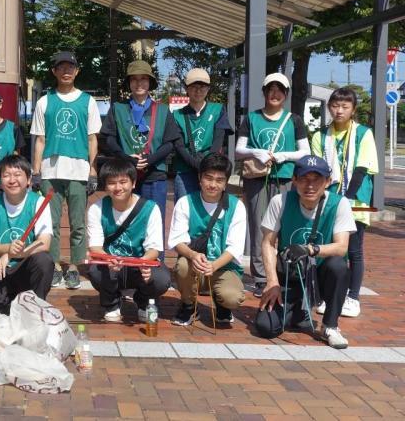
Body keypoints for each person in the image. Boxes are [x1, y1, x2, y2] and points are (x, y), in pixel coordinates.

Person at [255, 155, 355, 349]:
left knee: (339, 266)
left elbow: (342, 247)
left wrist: (310, 249)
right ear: (294, 180)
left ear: (327, 182)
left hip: (320, 277)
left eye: (316, 179)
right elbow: (268, 243)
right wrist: (272, 281)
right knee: (265, 327)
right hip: (289, 275)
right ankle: (298, 310)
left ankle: (330, 326)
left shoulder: (339, 204)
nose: (310, 185)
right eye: (303, 179)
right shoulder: (280, 201)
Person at [31, 51, 101, 289]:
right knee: (50, 223)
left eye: (70, 66)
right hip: (50, 171)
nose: (66, 71)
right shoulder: (44, 101)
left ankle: (73, 266)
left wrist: (92, 170)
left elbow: (92, 139)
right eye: (61, 67)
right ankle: (53, 265)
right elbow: (39, 140)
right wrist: (36, 171)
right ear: (54, 71)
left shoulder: (88, 102)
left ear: (77, 71)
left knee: (77, 222)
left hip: (79, 170)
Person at [235, 73, 310, 298]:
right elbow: (239, 150)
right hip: (256, 178)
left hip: (286, 177)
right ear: (264, 92)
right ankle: (260, 277)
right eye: (270, 89)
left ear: (285, 94)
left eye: (280, 89)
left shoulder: (294, 120)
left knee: (285, 225)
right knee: (259, 226)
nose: (274, 93)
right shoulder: (251, 118)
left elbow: (305, 152)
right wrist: (256, 152)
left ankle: (283, 271)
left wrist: (283, 156)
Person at [310, 87, 378, 318]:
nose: (339, 111)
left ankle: (353, 298)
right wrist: (334, 200)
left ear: (353, 109)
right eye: (335, 106)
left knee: (354, 250)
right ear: (329, 107)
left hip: (355, 200)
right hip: (329, 199)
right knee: (331, 249)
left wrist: (347, 199)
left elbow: (361, 168)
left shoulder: (363, 134)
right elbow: (319, 169)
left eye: (345, 107)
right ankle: (329, 296)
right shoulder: (320, 135)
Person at [100, 60, 178, 258]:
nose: (139, 83)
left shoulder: (162, 110)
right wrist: (126, 158)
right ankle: (128, 263)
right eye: (134, 79)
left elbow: (170, 142)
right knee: (125, 220)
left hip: (154, 175)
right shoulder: (118, 108)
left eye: (143, 78)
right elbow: (108, 138)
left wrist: (150, 159)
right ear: (129, 83)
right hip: (125, 175)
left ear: (150, 82)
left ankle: (154, 265)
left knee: (154, 221)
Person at [86, 157, 171, 323]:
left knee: (160, 278)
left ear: (133, 183)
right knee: (96, 271)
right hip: (112, 264)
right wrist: (109, 259)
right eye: (111, 183)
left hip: (139, 263)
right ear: (105, 186)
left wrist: (142, 263)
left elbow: (154, 249)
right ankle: (112, 304)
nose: (118, 188)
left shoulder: (150, 208)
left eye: (123, 182)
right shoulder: (97, 208)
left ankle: (144, 302)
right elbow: (95, 247)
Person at [168, 153, 247, 326]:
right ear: (199, 178)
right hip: (194, 265)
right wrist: (192, 255)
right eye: (208, 178)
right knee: (182, 265)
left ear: (226, 182)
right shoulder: (185, 202)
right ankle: (189, 306)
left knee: (232, 297)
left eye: (219, 180)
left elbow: (235, 248)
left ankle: (222, 305)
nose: (213, 184)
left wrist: (214, 265)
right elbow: (176, 240)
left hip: (224, 267)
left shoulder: (237, 206)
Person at [0, 155, 54, 314]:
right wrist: (8, 249)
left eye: (17, 175)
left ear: (28, 180)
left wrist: (11, 255)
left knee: (44, 261)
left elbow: (44, 243)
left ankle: (36, 306)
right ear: (0, 181)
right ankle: (11, 303)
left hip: (25, 267)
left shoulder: (39, 202)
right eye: (6, 175)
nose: (12, 180)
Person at [171, 68, 232, 202]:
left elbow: (218, 140)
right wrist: (196, 164)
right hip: (185, 171)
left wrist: (206, 165)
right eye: (193, 86)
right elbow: (179, 146)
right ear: (186, 88)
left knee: (211, 210)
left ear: (208, 88)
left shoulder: (218, 110)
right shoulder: (177, 115)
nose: (198, 91)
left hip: (211, 171)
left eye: (202, 86)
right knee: (184, 209)